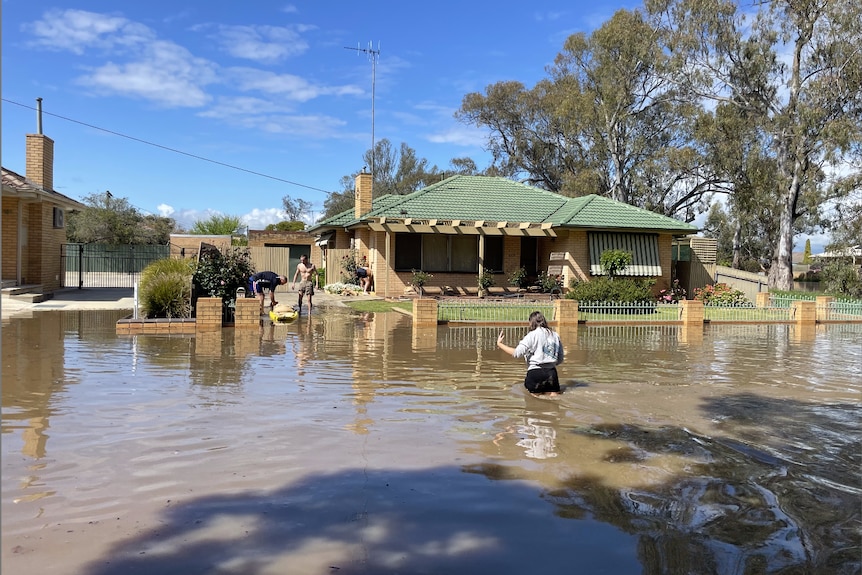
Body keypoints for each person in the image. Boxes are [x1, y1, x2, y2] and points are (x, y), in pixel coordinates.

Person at [496, 311, 564, 396]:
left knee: (533, 405)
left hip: (535, 372)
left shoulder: (532, 335)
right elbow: (560, 358)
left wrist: (500, 344)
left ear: (531, 323)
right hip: (551, 373)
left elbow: (516, 353)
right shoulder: (555, 335)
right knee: (554, 405)